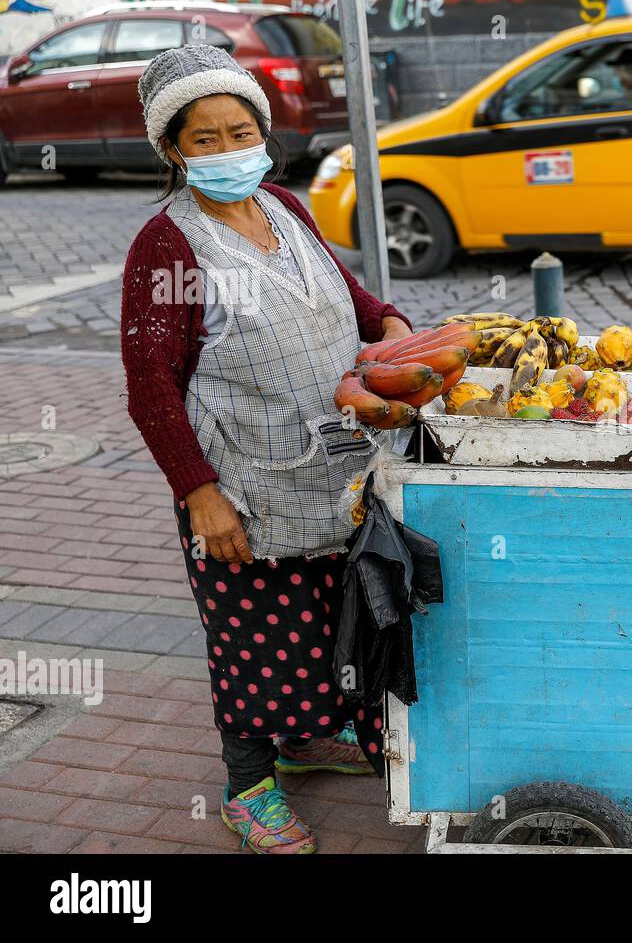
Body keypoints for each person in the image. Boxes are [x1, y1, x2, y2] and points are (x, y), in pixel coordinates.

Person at [120, 45, 414, 854]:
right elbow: (151, 386)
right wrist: (199, 494)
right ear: (172, 151)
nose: (226, 150)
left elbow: (341, 295)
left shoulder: (284, 204)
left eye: (239, 130)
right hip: (242, 482)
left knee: (326, 618)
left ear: (263, 133)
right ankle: (248, 786)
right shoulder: (168, 247)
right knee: (255, 636)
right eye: (204, 138)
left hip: (332, 465)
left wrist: (386, 323)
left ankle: (308, 740)